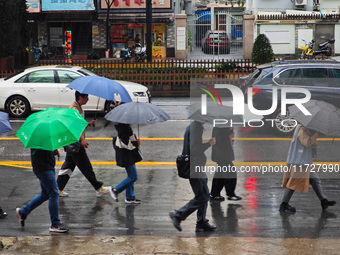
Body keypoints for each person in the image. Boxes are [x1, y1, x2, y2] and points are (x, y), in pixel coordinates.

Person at [57, 91, 110, 197]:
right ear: (80, 97)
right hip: (74, 142)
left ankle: (57, 189)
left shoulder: (79, 107)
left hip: (73, 142)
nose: (88, 99)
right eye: (86, 97)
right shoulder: (74, 109)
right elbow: (73, 128)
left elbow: (79, 124)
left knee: (68, 166)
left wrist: (89, 124)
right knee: (85, 166)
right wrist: (82, 140)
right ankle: (98, 188)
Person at [169, 121, 217, 232]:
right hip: (195, 167)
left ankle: (201, 222)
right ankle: (178, 215)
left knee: (203, 194)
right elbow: (194, 149)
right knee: (203, 196)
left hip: (195, 166)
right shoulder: (196, 128)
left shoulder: (193, 126)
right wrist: (209, 144)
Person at [280, 124, 336, 213]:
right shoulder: (301, 129)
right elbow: (306, 142)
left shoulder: (304, 129)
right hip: (300, 163)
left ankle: (323, 201)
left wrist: (313, 140)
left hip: (304, 162)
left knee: (315, 180)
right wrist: (314, 137)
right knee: (293, 183)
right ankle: (283, 204)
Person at [16, 149, 69, 233]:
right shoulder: (39, 137)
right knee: (54, 194)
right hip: (43, 168)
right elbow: (42, 148)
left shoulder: (43, 137)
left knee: (45, 194)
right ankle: (55, 224)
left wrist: (54, 151)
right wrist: (54, 149)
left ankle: (23, 212)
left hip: (46, 166)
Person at [109, 123, 142, 204]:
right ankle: (115, 190)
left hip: (127, 154)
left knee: (131, 176)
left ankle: (130, 197)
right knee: (133, 177)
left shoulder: (123, 126)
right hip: (126, 155)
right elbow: (125, 143)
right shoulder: (123, 128)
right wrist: (137, 144)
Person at [210, 127, 241, 201]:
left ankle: (215, 193)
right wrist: (229, 134)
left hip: (222, 154)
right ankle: (230, 194)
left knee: (220, 173)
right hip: (222, 154)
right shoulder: (220, 127)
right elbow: (220, 142)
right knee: (231, 172)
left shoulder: (224, 126)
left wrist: (230, 134)